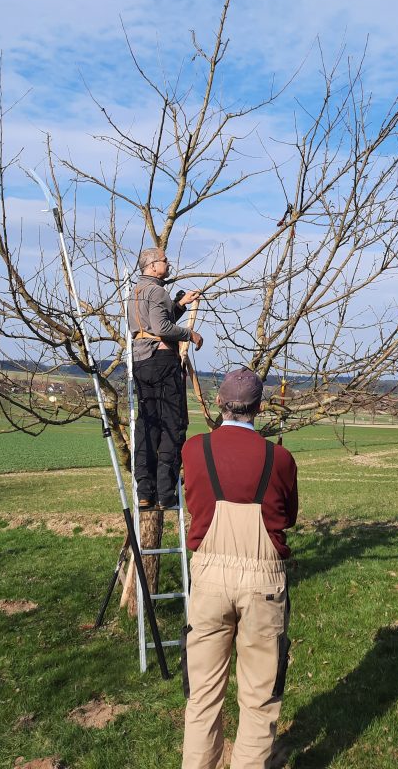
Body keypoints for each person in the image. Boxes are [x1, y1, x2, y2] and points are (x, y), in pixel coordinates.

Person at [180, 368, 298, 769]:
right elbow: (290, 516)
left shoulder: (193, 450)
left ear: (218, 404)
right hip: (264, 580)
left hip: (209, 578)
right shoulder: (280, 459)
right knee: (259, 698)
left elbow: (195, 502)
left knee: (202, 695)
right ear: (260, 408)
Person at [127, 247, 202, 510]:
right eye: (164, 260)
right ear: (152, 266)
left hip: (141, 362)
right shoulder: (157, 291)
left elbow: (153, 324)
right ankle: (165, 492)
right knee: (173, 424)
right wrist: (190, 335)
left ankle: (144, 491)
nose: (168, 263)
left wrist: (180, 304)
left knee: (148, 424)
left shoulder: (136, 291)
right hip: (162, 362)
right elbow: (161, 328)